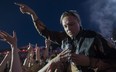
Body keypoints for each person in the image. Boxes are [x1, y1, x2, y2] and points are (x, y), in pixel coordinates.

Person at [16, 3, 116, 72]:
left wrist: (91, 62)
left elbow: (113, 61)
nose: (68, 28)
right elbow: (45, 32)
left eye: (71, 24)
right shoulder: (64, 38)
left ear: (79, 23)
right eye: (65, 26)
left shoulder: (93, 37)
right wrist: (33, 14)